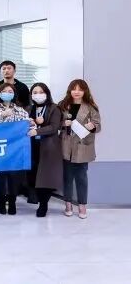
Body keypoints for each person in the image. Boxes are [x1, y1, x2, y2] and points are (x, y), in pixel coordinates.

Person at [59, 79, 101, 219]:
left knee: (82, 178)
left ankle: (82, 205)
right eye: (74, 89)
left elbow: (98, 126)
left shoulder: (91, 107)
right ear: (69, 90)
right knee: (67, 177)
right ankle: (68, 204)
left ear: (85, 91)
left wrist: (92, 126)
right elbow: (55, 123)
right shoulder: (63, 105)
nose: (76, 92)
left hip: (82, 146)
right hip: (66, 145)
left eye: (80, 89)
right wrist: (63, 123)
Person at [0, 83, 31, 215]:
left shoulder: (19, 109)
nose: (7, 93)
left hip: (15, 147)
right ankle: (1, 203)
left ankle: (12, 202)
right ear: (0, 93)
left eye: (10, 91)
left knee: (13, 176)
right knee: (1, 176)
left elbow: (26, 124)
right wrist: (2, 116)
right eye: (5, 91)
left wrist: (30, 123)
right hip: (0, 146)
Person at [26, 83, 63, 217]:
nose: (38, 95)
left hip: (48, 147)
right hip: (32, 147)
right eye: (35, 92)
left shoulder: (54, 108)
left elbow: (54, 127)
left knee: (45, 178)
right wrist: (32, 123)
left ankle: (43, 205)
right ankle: (36, 198)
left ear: (47, 93)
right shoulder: (29, 108)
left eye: (41, 92)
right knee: (34, 175)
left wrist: (37, 130)